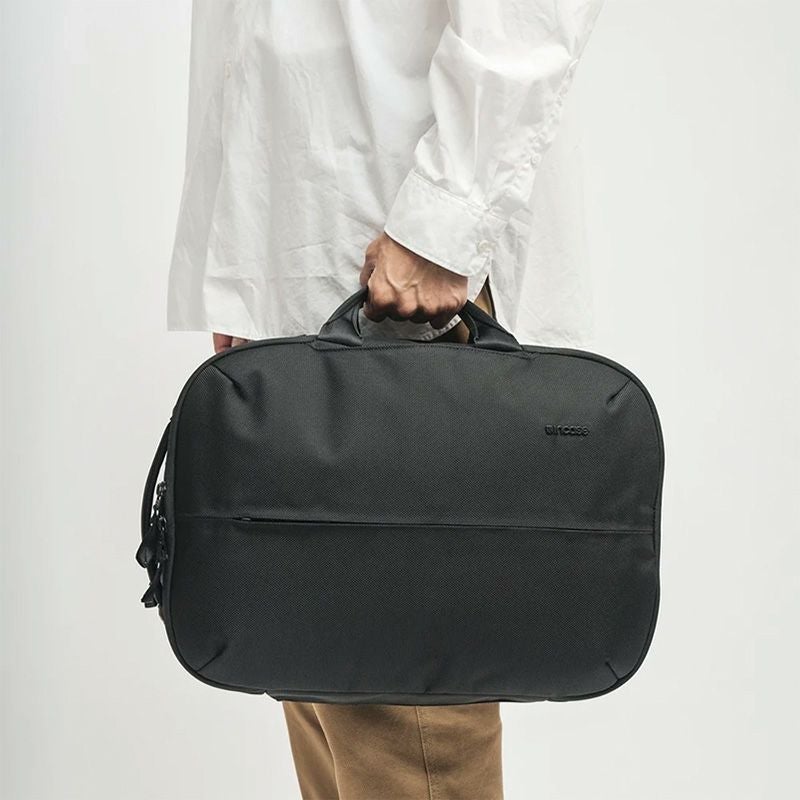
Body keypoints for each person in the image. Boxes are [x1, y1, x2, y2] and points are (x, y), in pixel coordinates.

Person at [167, 1, 605, 797]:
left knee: (406, 729)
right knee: (325, 692)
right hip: (306, 255)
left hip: (405, 265)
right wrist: (242, 265)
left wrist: (443, 220)